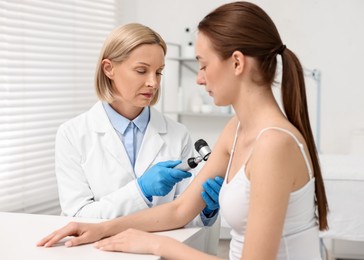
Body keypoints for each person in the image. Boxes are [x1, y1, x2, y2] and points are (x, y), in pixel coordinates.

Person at [37, 2, 328, 259]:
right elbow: (179, 210)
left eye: (203, 65)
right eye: (142, 71)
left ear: (237, 62)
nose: (199, 79)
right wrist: (101, 228)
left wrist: (157, 245)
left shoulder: (273, 144)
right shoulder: (236, 129)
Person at [54, 22, 221, 226]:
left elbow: (185, 215)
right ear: (109, 69)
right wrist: (140, 190)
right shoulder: (72, 134)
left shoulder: (178, 134)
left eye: (159, 72)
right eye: (142, 71)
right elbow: (77, 216)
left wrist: (206, 210)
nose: (154, 83)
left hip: (159, 252)